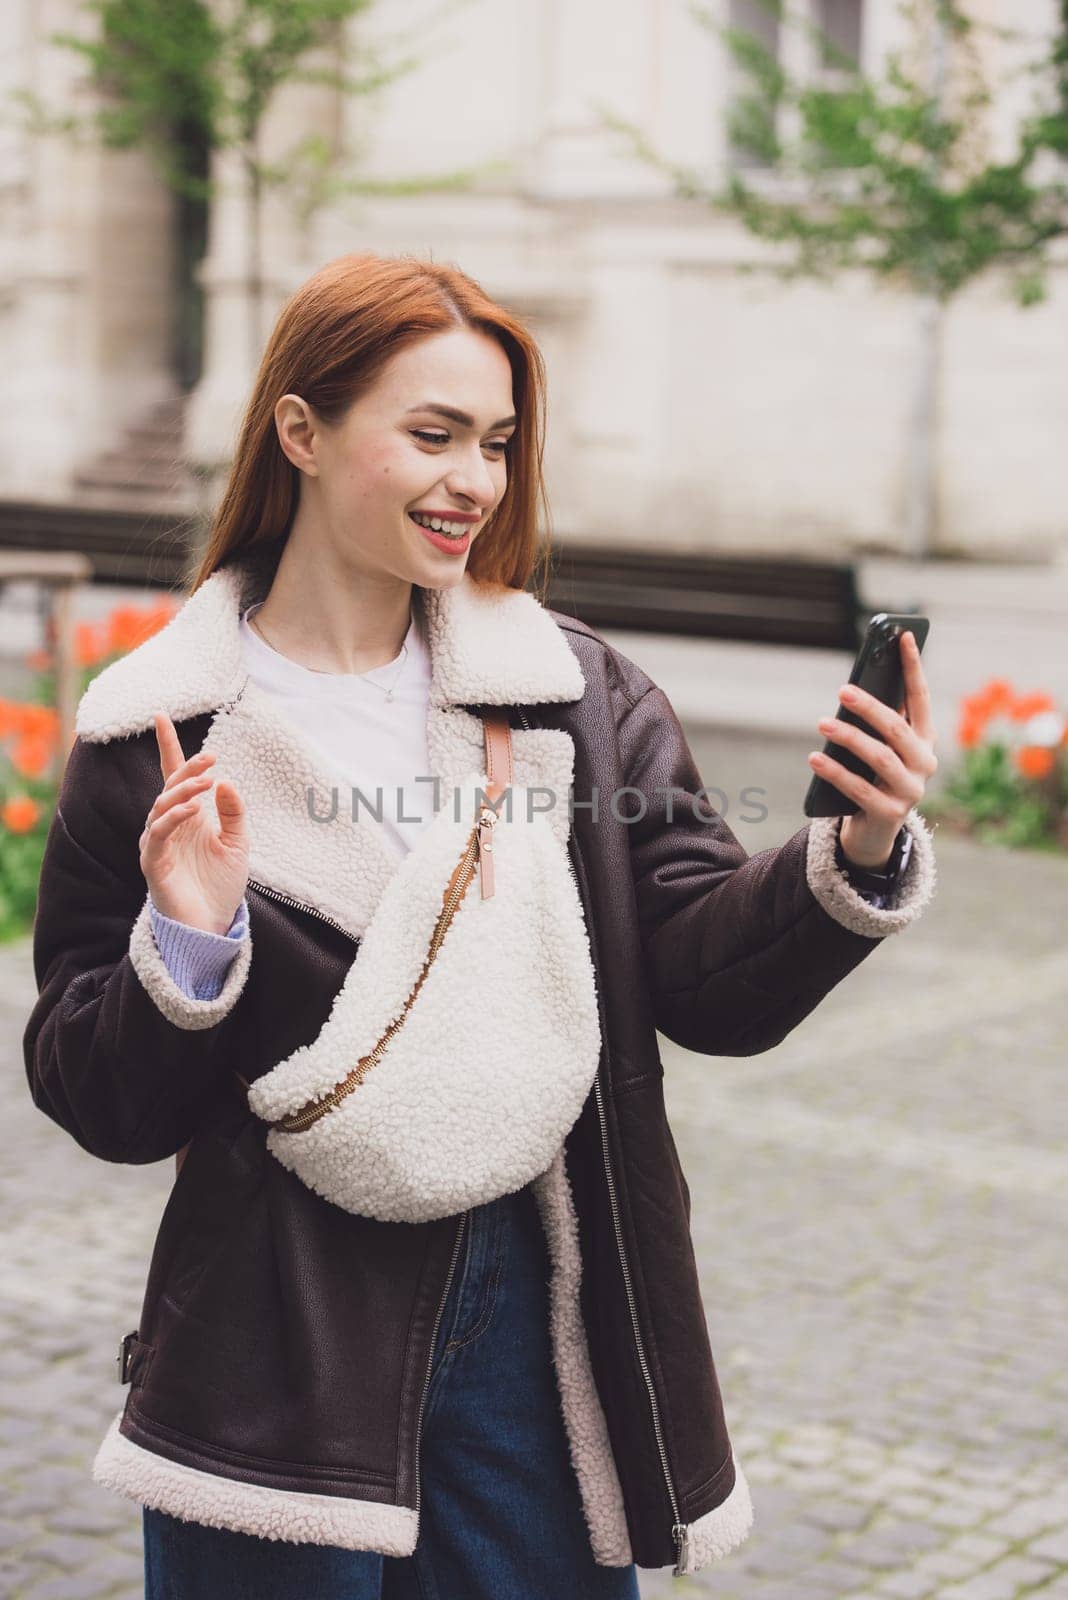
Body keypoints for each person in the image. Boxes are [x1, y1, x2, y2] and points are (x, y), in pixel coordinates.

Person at [24, 252, 938, 1600]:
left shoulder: (570, 695)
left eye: (499, 444)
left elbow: (703, 978)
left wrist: (852, 847)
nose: (476, 481)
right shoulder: (159, 731)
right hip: (273, 1324)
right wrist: (190, 941)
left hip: (547, 1296)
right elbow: (98, 1097)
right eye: (433, 434)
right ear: (301, 432)